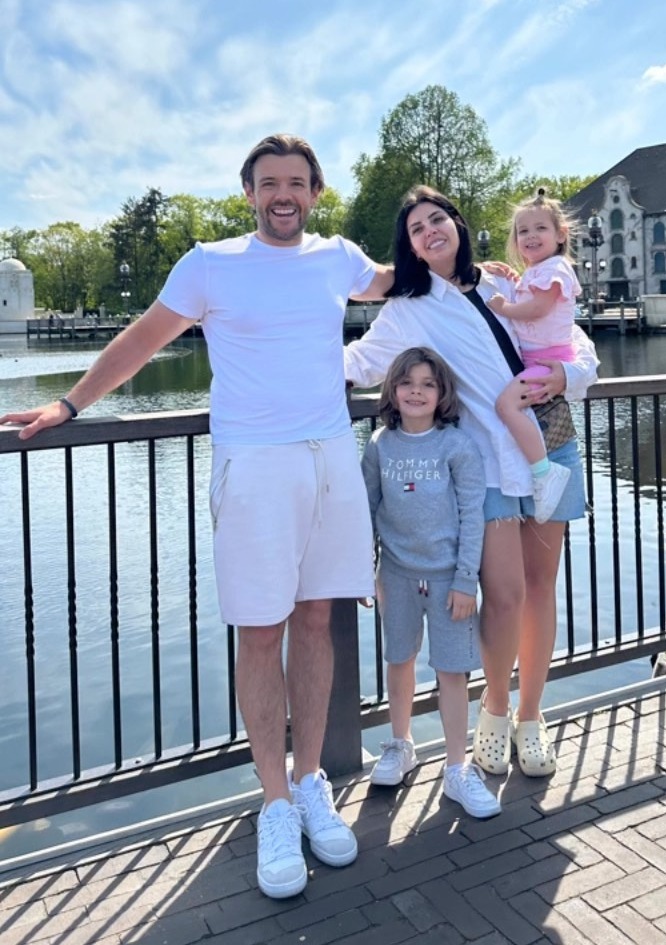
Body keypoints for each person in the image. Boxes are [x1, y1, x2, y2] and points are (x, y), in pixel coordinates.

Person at [0, 134, 393, 900]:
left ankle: (312, 782)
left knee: (318, 619)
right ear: (248, 191)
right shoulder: (211, 262)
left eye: (297, 183)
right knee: (261, 629)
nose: (284, 194)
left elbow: (399, 277)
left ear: (316, 192)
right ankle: (275, 802)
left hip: (330, 458)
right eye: (269, 182)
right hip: (254, 464)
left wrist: (478, 261)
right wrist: (70, 402)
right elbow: (145, 338)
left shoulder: (337, 257)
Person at [344, 185, 599, 779]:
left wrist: (567, 374)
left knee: (542, 587)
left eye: (438, 218)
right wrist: (285, 373)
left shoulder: (503, 282)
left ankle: (531, 717)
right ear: (408, 247)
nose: (430, 231)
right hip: (487, 463)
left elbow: (569, 336)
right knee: (505, 594)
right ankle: (495, 709)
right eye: (416, 229)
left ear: (457, 223)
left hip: (552, 444)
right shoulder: (410, 307)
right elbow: (360, 361)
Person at [362, 346, 500, 819]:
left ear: (441, 394)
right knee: (399, 660)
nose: (416, 391)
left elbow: (471, 516)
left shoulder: (456, 446)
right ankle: (401, 745)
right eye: (407, 383)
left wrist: (466, 579)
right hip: (396, 575)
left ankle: (458, 767)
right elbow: (367, 509)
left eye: (427, 384)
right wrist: (368, 569)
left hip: (448, 581)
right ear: (392, 390)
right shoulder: (379, 445)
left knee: (451, 672)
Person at [487, 188, 582, 524]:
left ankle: (544, 473)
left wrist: (504, 306)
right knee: (514, 408)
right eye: (523, 230)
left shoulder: (556, 268)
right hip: (540, 361)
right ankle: (542, 469)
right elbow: (534, 295)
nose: (530, 236)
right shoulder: (540, 271)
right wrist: (513, 282)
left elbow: (538, 308)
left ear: (560, 234)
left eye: (540, 228)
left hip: (546, 362)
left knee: (506, 406)